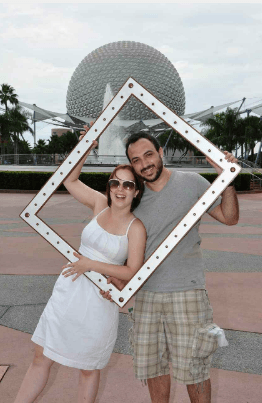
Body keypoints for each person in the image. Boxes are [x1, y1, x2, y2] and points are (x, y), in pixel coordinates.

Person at [102, 132, 239, 403]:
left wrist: (228, 181)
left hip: (187, 291)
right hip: (145, 297)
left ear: (161, 152)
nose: (144, 164)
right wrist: (113, 283)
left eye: (148, 154)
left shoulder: (191, 183)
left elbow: (229, 217)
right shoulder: (133, 197)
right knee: (153, 370)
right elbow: (121, 249)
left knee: (195, 370)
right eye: (136, 160)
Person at [14, 127, 146, 403]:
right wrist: (87, 145)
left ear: (136, 192)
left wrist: (92, 265)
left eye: (128, 184)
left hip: (98, 300)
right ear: (108, 186)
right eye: (115, 183)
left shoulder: (136, 228)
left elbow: (132, 271)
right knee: (42, 356)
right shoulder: (99, 204)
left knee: (89, 367)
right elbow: (70, 179)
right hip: (68, 289)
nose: (120, 189)